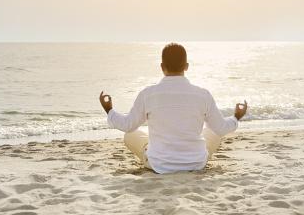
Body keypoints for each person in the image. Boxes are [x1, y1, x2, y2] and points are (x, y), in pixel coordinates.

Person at [99, 42, 248, 174]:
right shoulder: (203, 95)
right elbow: (221, 128)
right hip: (196, 163)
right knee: (214, 132)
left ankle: (156, 152)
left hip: (159, 164)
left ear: (162, 67)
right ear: (186, 66)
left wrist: (109, 110)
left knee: (130, 134)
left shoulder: (147, 94)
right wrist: (236, 117)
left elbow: (127, 125)